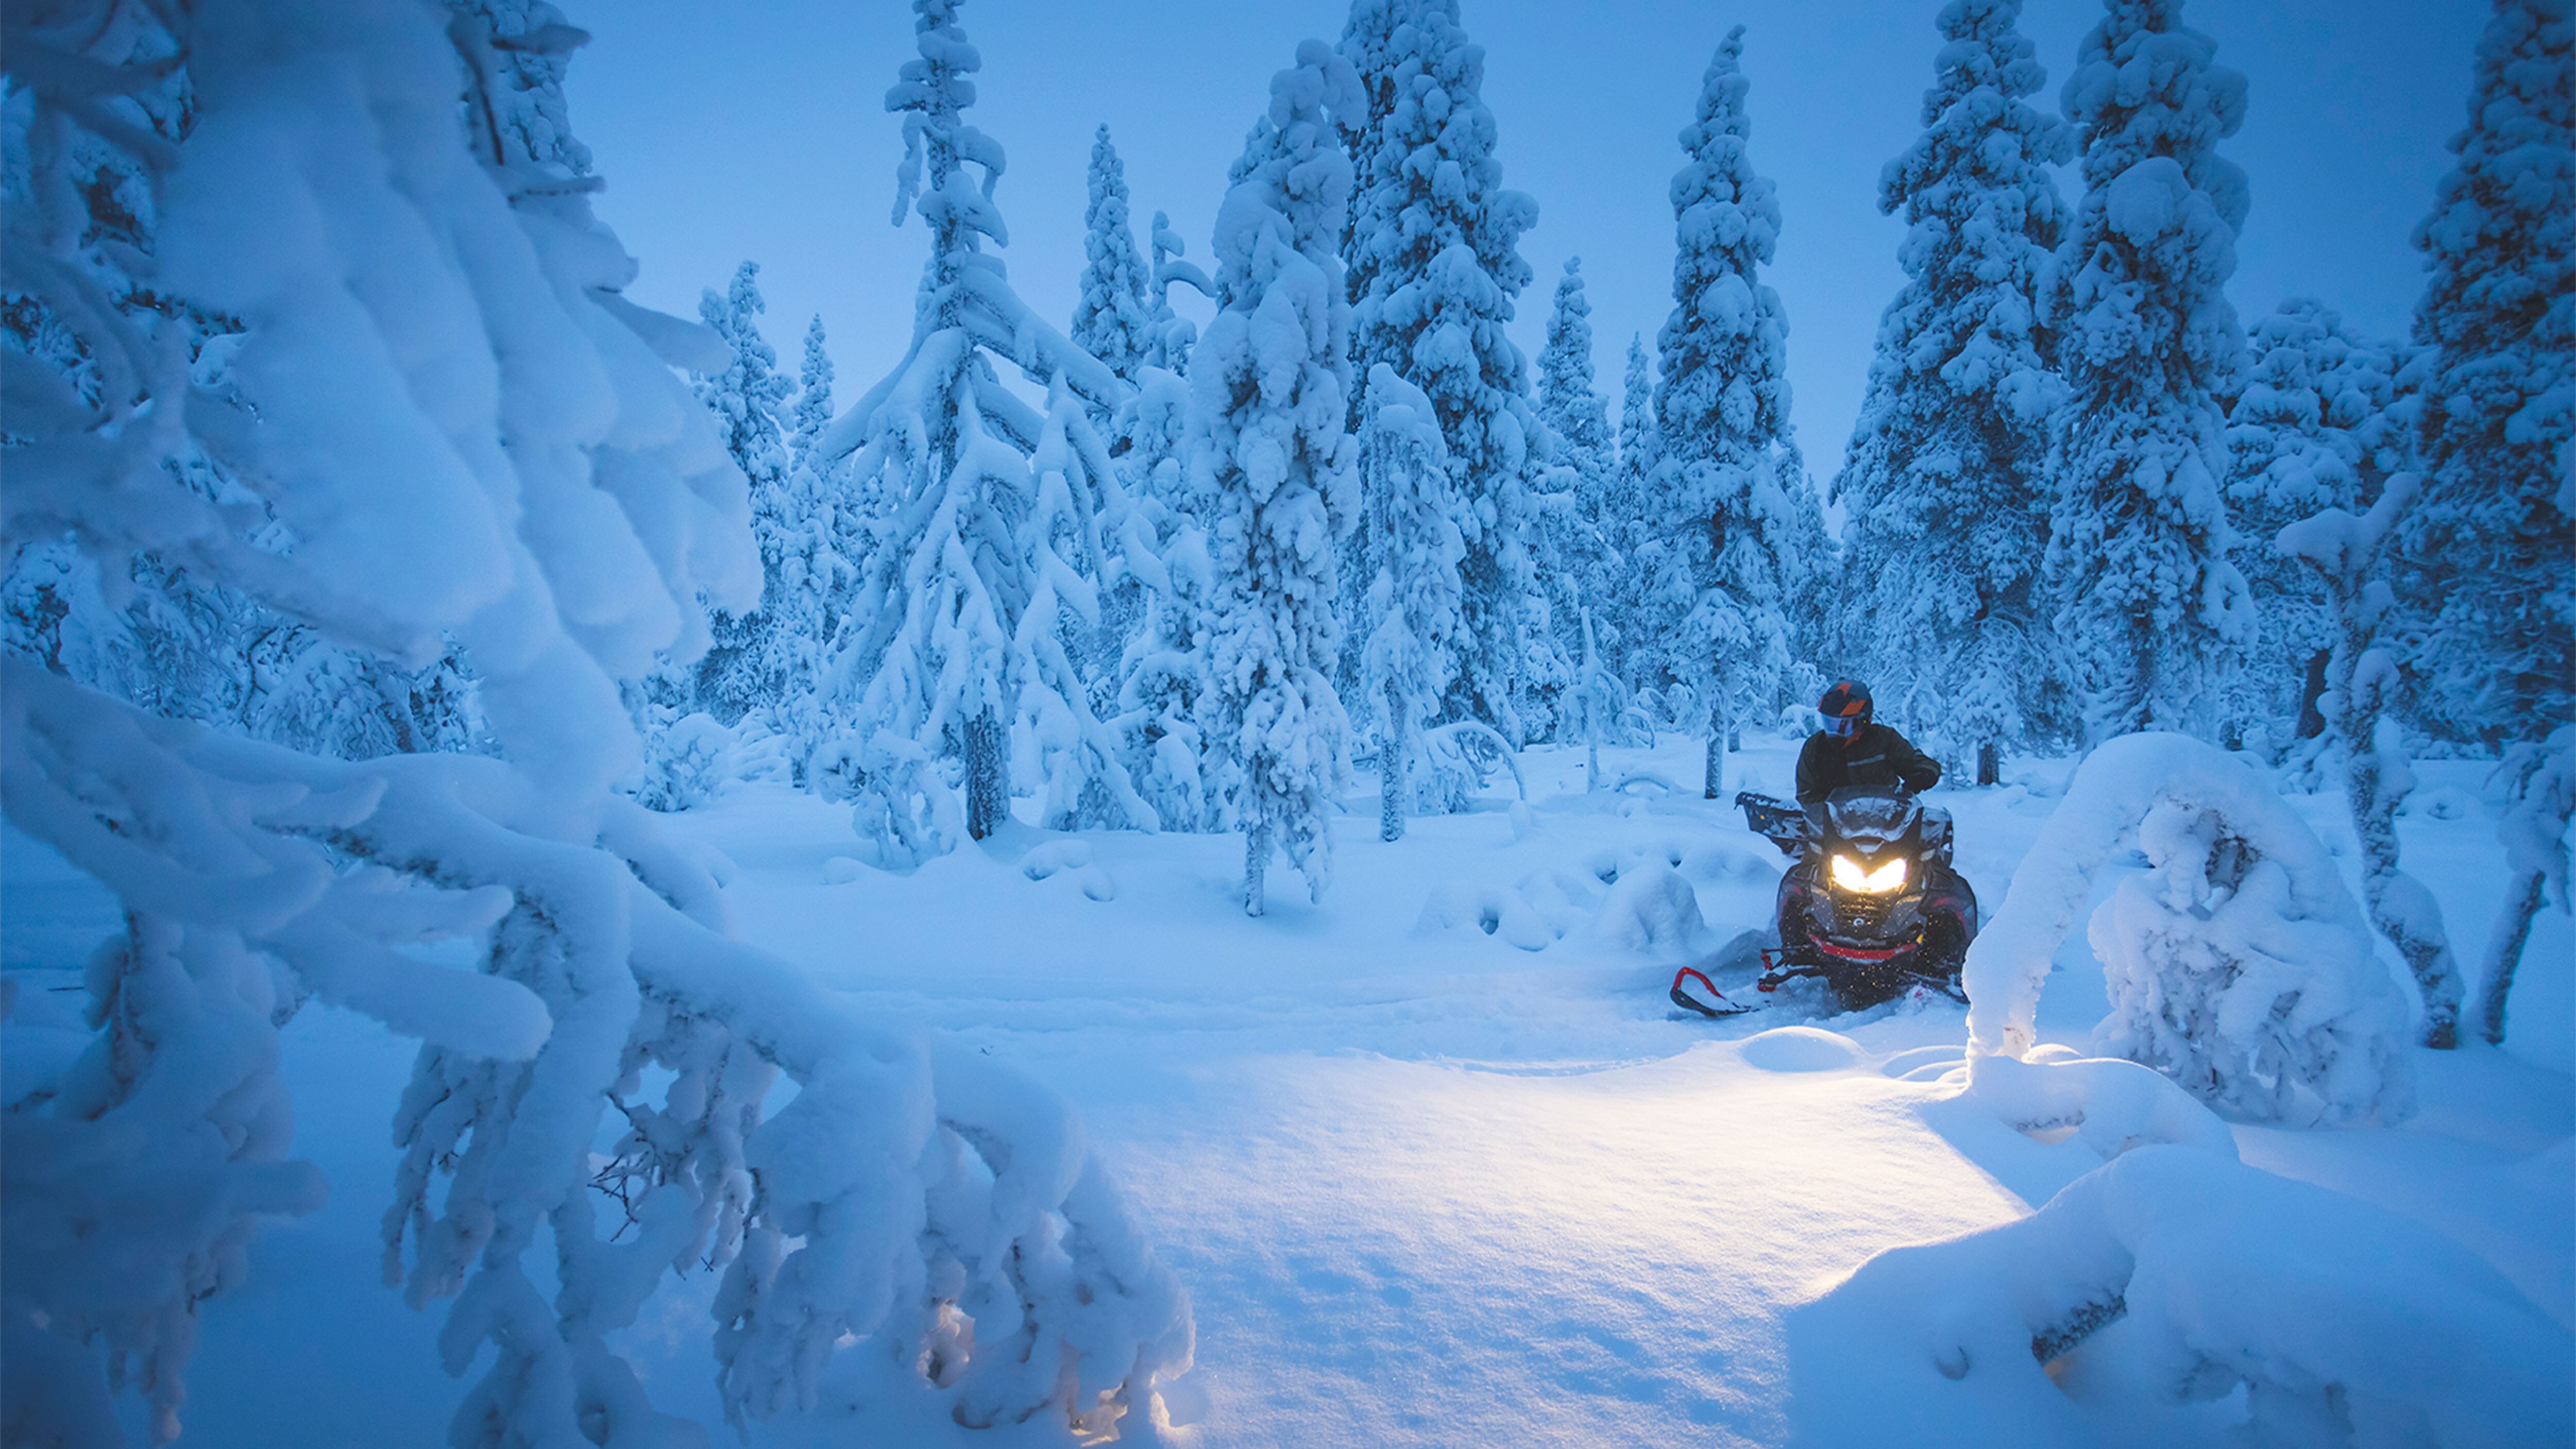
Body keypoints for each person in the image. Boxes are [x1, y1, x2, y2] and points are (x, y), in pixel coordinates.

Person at [1795, 679, 1940, 805]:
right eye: (1830, 724)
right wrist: (1829, 810)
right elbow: (1806, 795)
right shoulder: (1815, 748)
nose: (1835, 733)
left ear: (1864, 722)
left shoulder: (1884, 739)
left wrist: (1923, 775)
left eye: (1844, 725)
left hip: (1887, 823)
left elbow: (1921, 763)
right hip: (1835, 828)